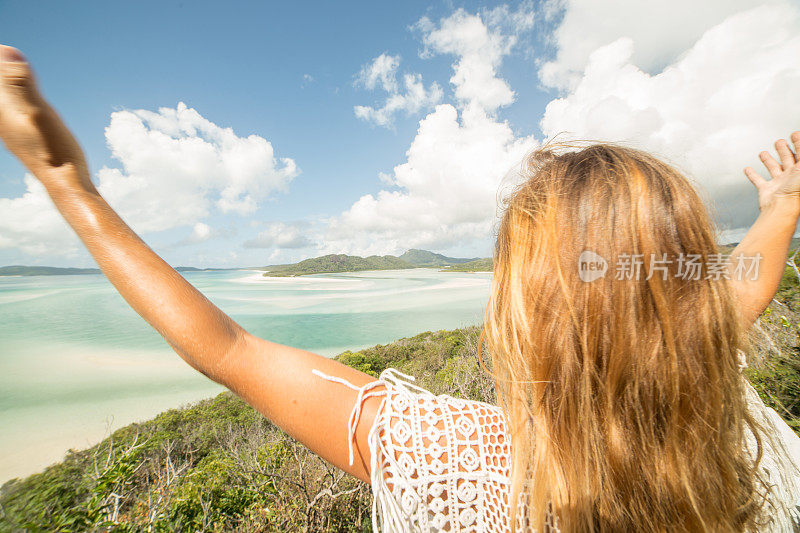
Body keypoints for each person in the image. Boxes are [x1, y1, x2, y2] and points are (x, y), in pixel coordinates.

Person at [0, 44, 798, 532]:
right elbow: (740, 284)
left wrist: (66, 183)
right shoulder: (727, 439)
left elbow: (228, 348)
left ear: (523, 316)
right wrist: (781, 209)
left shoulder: (472, 464)